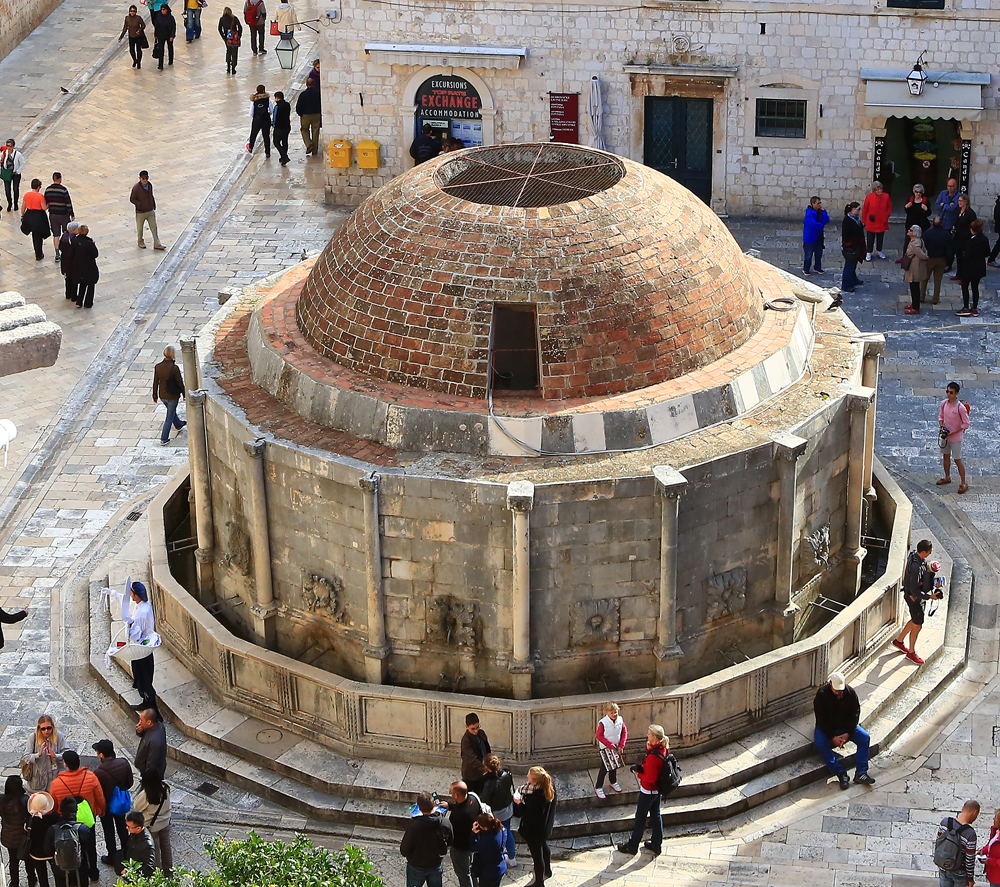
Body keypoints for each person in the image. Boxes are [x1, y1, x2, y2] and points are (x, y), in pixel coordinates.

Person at [49, 750, 105, 882]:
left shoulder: (56, 783)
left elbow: (54, 804)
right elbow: (100, 797)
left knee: (70, 845)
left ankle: (72, 872)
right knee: (91, 846)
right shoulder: (90, 777)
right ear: (79, 762)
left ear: (65, 764)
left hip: (67, 821)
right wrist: (100, 810)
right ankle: (93, 872)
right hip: (87, 819)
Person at [617, 725, 673, 856]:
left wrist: (638, 774)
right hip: (657, 791)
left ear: (654, 737)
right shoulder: (662, 749)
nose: (647, 736)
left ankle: (632, 845)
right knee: (656, 816)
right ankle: (656, 844)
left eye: (648, 734)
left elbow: (650, 777)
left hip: (648, 791)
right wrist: (649, 750)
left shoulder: (654, 756)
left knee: (640, 818)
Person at [813, 672, 874, 789]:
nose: (839, 692)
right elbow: (821, 719)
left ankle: (861, 772)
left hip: (846, 726)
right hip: (828, 727)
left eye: (840, 690)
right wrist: (832, 736)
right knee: (820, 744)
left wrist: (848, 733)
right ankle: (840, 773)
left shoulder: (850, 693)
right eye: (836, 690)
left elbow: (855, 714)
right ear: (830, 684)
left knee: (864, 738)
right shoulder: (821, 695)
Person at [892, 539, 943, 665]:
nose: (929, 555)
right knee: (918, 625)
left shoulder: (914, 557)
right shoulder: (916, 567)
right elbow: (915, 590)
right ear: (924, 552)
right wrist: (930, 597)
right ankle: (911, 652)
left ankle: (899, 641)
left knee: (915, 620)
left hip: (912, 597)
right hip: (914, 599)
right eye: (929, 553)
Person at [93, 739, 133, 868]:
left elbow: (98, 793)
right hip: (119, 804)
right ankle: (127, 854)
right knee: (122, 827)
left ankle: (112, 856)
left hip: (106, 807)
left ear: (101, 754)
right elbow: (130, 783)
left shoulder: (99, 772)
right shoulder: (124, 763)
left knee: (108, 831)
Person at [513, 767, 556, 887]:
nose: (527, 776)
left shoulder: (535, 798)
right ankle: (547, 870)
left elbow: (526, 814)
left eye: (529, 775)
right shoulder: (550, 788)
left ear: (536, 781)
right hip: (545, 827)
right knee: (544, 847)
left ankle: (539, 883)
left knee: (537, 857)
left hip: (534, 831)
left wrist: (519, 803)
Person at [399, 791, 452, 887]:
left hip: (416, 865)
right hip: (435, 863)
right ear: (434, 804)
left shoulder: (413, 827)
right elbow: (450, 841)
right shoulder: (445, 823)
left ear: (419, 808)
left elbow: (404, 850)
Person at [132, 770, 172, 876]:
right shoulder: (165, 788)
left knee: (155, 851)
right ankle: (169, 872)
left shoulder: (146, 795)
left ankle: (157, 874)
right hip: (165, 823)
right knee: (166, 847)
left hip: (152, 826)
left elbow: (137, 807)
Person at [441, 782, 481, 887]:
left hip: (460, 848)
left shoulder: (458, 815)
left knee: (463, 874)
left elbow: (451, 832)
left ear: (456, 795)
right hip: (472, 842)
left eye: (451, 793)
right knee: (470, 870)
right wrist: (449, 805)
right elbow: (460, 805)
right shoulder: (473, 798)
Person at [126, 582, 159, 707]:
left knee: (143, 678)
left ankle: (152, 708)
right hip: (146, 647)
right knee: (144, 675)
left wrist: (129, 628)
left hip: (141, 649)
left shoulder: (141, 613)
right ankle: (146, 702)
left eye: (132, 592)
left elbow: (136, 635)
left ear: (136, 595)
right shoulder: (145, 606)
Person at [45, 797, 89, 887]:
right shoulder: (83, 829)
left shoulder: (52, 829)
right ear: (76, 811)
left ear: (61, 812)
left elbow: (47, 850)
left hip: (60, 870)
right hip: (80, 869)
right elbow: (90, 850)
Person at [480, 755, 516, 867]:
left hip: (497, 812)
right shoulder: (506, 774)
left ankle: (498, 856)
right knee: (508, 832)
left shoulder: (488, 784)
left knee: (497, 835)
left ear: (486, 767)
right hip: (508, 808)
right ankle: (512, 857)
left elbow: (485, 800)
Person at [937, 381, 971, 494]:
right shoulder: (944, 403)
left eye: (951, 392)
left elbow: (966, 424)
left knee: (957, 459)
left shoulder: (960, 408)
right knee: (945, 457)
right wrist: (942, 426)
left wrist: (953, 432)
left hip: (955, 438)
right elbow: (941, 415)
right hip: (945, 436)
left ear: (956, 393)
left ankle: (963, 482)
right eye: (947, 391)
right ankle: (947, 476)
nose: (948, 394)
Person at [937, 800, 979, 887]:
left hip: (944, 867)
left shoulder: (945, 822)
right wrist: (970, 879)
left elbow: (938, 842)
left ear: (963, 809)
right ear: (975, 812)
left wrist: (939, 861)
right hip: (960, 873)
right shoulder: (970, 833)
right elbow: (969, 860)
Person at [22, 716, 68, 793]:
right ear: (39, 728)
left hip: (55, 778)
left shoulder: (58, 736)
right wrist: (38, 755)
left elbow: (68, 754)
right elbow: (26, 757)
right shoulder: (33, 738)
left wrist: (56, 756)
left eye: (49, 728)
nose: (46, 731)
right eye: (43, 729)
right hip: (38, 781)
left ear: (52, 726)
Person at [152, 346, 186, 445]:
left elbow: (155, 382)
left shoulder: (158, 366)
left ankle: (179, 424)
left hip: (162, 395)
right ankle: (164, 438)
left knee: (171, 411)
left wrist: (154, 395)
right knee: (169, 416)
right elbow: (180, 383)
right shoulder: (174, 368)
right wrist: (184, 394)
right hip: (172, 396)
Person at [0, 775, 30, 887]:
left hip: (9, 836)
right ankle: (31, 879)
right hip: (24, 837)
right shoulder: (25, 800)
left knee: (13, 861)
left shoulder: (2, 800)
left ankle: (14, 883)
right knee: (28, 859)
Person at [957, 218, 990, 317]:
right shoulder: (984, 239)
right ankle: (974, 308)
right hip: (979, 267)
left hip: (968, 267)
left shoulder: (970, 241)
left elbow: (967, 255)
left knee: (965, 286)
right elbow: (987, 252)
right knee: (975, 288)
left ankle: (966, 307)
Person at [594, 701, 627, 799]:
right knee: (604, 768)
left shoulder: (620, 720)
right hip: (606, 749)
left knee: (615, 765)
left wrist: (621, 745)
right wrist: (609, 745)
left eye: (615, 712)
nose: (614, 714)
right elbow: (599, 735)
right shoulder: (603, 723)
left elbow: (624, 732)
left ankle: (613, 781)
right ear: (607, 713)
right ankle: (598, 786)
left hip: (616, 747)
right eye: (611, 712)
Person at [26, 792, 58, 887]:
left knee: (42, 876)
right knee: (56, 873)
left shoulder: (30, 821)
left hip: (36, 853)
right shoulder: (55, 818)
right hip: (52, 851)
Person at [837, 202, 865, 304]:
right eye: (857, 209)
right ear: (852, 210)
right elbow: (848, 236)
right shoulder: (848, 221)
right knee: (849, 265)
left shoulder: (855, 219)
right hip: (851, 248)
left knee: (853, 264)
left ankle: (853, 279)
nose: (859, 211)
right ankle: (846, 285)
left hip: (856, 246)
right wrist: (852, 245)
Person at [43, 173, 74, 263]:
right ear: (60, 179)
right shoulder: (63, 190)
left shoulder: (48, 189)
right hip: (63, 215)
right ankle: (66, 251)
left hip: (53, 215)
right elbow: (68, 203)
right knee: (66, 233)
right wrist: (72, 214)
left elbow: (46, 201)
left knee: (56, 235)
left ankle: (57, 254)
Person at [130, 171, 165, 250]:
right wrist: (140, 204)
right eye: (143, 178)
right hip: (141, 212)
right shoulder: (136, 188)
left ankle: (157, 243)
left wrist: (153, 204)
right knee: (140, 228)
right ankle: (140, 242)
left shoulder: (149, 185)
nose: (145, 180)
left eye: (146, 178)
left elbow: (151, 195)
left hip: (150, 210)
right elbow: (132, 199)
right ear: (140, 178)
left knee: (154, 227)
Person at [470, 814, 507, 887]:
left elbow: (472, 847)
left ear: (485, 828)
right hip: (500, 867)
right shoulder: (500, 829)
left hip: (489, 873)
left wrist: (473, 833)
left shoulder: (486, 841)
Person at [460, 713, 491, 795]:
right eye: (472, 729)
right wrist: (484, 769)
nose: (476, 731)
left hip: (482, 772)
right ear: (467, 727)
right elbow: (471, 758)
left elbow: (486, 748)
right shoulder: (466, 740)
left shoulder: (481, 733)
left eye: (477, 727)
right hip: (471, 775)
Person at [20, 180, 50, 262]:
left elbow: (23, 207)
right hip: (39, 216)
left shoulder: (27, 195)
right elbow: (44, 208)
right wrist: (48, 203)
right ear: (38, 187)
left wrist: (23, 215)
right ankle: (39, 253)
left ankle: (37, 252)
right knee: (38, 235)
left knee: (34, 234)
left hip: (29, 214)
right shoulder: (40, 196)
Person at [70, 225, 99, 309]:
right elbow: (95, 254)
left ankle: (79, 301)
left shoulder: (75, 241)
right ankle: (88, 303)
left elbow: (71, 254)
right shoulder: (89, 243)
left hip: (78, 266)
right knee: (90, 284)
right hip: (89, 266)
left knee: (82, 284)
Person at [118, 813, 155, 878]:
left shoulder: (147, 845)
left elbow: (149, 867)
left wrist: (131, 872)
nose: (127, 828)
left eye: (129, 827)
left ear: (138, 828)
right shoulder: (134, 833)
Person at [936, 178, 962, 270]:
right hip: (941, 222)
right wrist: (947, 206)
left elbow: (954, 208)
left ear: (955, 186)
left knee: (950, 245)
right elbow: (937, 205)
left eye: (952, 186)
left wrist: (944, 205)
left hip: (950, 224)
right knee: (940, 243)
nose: (950, 188)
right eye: (948, 186)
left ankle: (948, 264)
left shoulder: (958, 196)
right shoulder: (943, 193)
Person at [923, 216, 950, 305]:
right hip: (941, 259)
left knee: (924, 279)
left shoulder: (927, 233)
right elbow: (949, 249)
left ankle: (921, 297)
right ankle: (935, 299)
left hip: (929, 259)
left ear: (932, 224)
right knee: (938, 280)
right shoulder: (946, 234)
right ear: (941, 224)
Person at [861, 181, 891, 261]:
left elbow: (889, 207)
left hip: (882, 221)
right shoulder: (869, 197)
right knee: (870, 238)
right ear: (874, 190)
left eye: (881, 189)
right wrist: (864, 221)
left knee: (880, 237)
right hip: (871, 221)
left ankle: (879, 250)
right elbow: (865, 209)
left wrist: (886, 215)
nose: (880, 191)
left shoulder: (886, 196)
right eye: (878, 189)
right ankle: (869, 252)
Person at [902, 224, 929, 316]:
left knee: (914, 287)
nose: (909, 231)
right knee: (914, 286)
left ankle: (915, 307)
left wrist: (926, 257)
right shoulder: (919, 240)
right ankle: (914, 304)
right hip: (915, 265)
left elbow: (922, 254)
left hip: (914, 266)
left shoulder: (914, 243)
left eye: (911, 230)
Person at [135, 709, 167, 780]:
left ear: (149, 722)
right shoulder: (158, 726)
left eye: (141, 720)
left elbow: (151, 764)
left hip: (152, 774)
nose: (139, 723)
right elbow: (144, 733)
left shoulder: (155, 742)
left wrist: (147, 776)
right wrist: (139, 731)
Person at [952, 194, 977, 283]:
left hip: (965, 238)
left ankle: (964, 276)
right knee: (958, 256)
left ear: (966, 202)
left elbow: (972, 226)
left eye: (961, 201)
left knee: (965, 258)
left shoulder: (970, 213)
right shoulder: (958, 210)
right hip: (958, 237)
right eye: (958, 201)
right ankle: (959, 274)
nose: (959, 203)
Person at [802, 195, 829, 276]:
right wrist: (821, 225)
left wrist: (824, 212)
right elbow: (813, 224)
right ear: (813, 204)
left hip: (819, 237)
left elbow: (826, 220)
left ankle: (817, 267)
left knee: (819, 254)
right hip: (810, 238)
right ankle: (806, 269)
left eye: (820, 203)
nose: (819, 205)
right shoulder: (809, 213)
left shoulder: (820, 212)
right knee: (808, 255)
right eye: (818, 203)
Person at [902, 184, 931, 257]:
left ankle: (921, 256)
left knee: (921, 242)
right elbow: (907, 211)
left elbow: (929, 213)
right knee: (907, 242)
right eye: (917, 192)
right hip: (910, 224)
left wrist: (926, 209)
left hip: (921, 225)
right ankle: (905, 257)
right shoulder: (910, 199)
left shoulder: (926, 201)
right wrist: (906, 207)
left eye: (920, 192)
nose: (918, 194)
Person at [295, 79, 322, 156]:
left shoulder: (303, 94)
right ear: (314, 83)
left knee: (304, 130)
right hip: (317, 115)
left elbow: (299, 106)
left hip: (306, 115)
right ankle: (315, 150)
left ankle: (309, 144)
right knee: (315, 132)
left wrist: (300, 114)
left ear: (307, 84)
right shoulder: (318, 93)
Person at [1, 139, 26, 213]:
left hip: (15, 174)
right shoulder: (4, 153)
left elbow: (22, 163)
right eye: (7, 145)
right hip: (7, 173)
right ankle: (9, 203)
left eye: (10, 146)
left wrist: (18, 171)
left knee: (15, 189)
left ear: (13, 146)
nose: (8, 147)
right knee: (7, 190)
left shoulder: (18, 154)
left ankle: (15, 204)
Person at [248, 85, 272, 158]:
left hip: (257, 120)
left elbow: (251, 112)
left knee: (253, 134)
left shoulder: (254, 100)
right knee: (266, 136)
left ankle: (251, 147)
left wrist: (256, 117)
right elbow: (271, 110)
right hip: (266, 119)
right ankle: (267, 152)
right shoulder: (268, 100)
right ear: (264, 91)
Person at [978, 808, 1000, 887]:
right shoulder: (996, 832)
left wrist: (990, 861)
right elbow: (991, 845)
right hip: (993, 874)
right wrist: (982, 851)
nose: (994, 819)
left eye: (996, 817)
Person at [59, 222, 80, 302]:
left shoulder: (64, 236)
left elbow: (60, 247)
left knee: (67, 277)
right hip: (72, 261)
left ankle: (68, 294)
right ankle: (74, 295)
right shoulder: (73, 239)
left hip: (65, 260)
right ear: (73, 230)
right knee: (74, 278)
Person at [219, 8, 242, 75]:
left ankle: (228, 67)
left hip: (227, 38)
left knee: (228, 51)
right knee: (234, 53)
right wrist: (239, 35)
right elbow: (240, 27)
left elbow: (219, 28)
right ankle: (233, 68)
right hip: (234, 38)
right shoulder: (234, 18)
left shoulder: (222, 19)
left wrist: (223, 37)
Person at [272, 91, 291, 166]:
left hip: (279, 128)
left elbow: (275, 117)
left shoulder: (277, 107)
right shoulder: (287, 105)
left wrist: (273, 125)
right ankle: (283, 158)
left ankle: (284, 156)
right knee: (284, 141)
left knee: (276, 142)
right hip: (287, 126)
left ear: (277, 98)